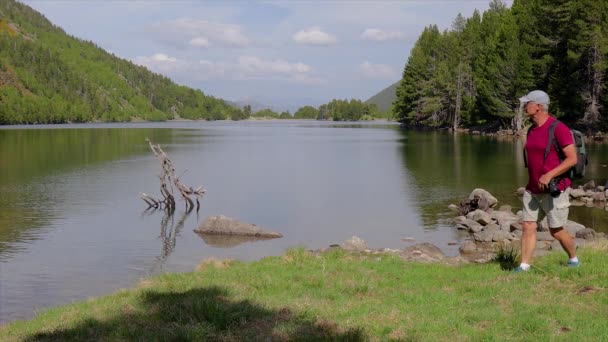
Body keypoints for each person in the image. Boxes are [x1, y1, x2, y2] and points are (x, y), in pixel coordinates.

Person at [516, 90, 579, 272]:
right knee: (528, 226)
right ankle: (524, 266)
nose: (524, 107)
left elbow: (572, 158)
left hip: (555, 188)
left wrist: (550, 175)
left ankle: (573, 259)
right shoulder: (532, 129)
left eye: (527, 103)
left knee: (556, 230)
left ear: (539, 107)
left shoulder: (558, 128)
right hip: (533, 188)